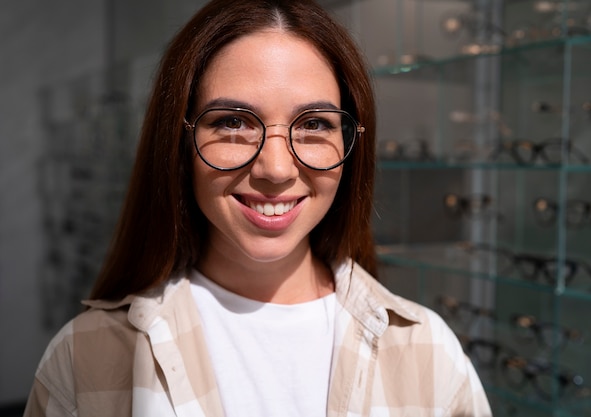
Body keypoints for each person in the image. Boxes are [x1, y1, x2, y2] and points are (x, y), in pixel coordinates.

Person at [24, 0, 492, 416]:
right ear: (179, 142)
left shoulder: (427, 352)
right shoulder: (84, 360)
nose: (275, 168)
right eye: (232, 122)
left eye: (313, 124)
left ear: (351, 146)